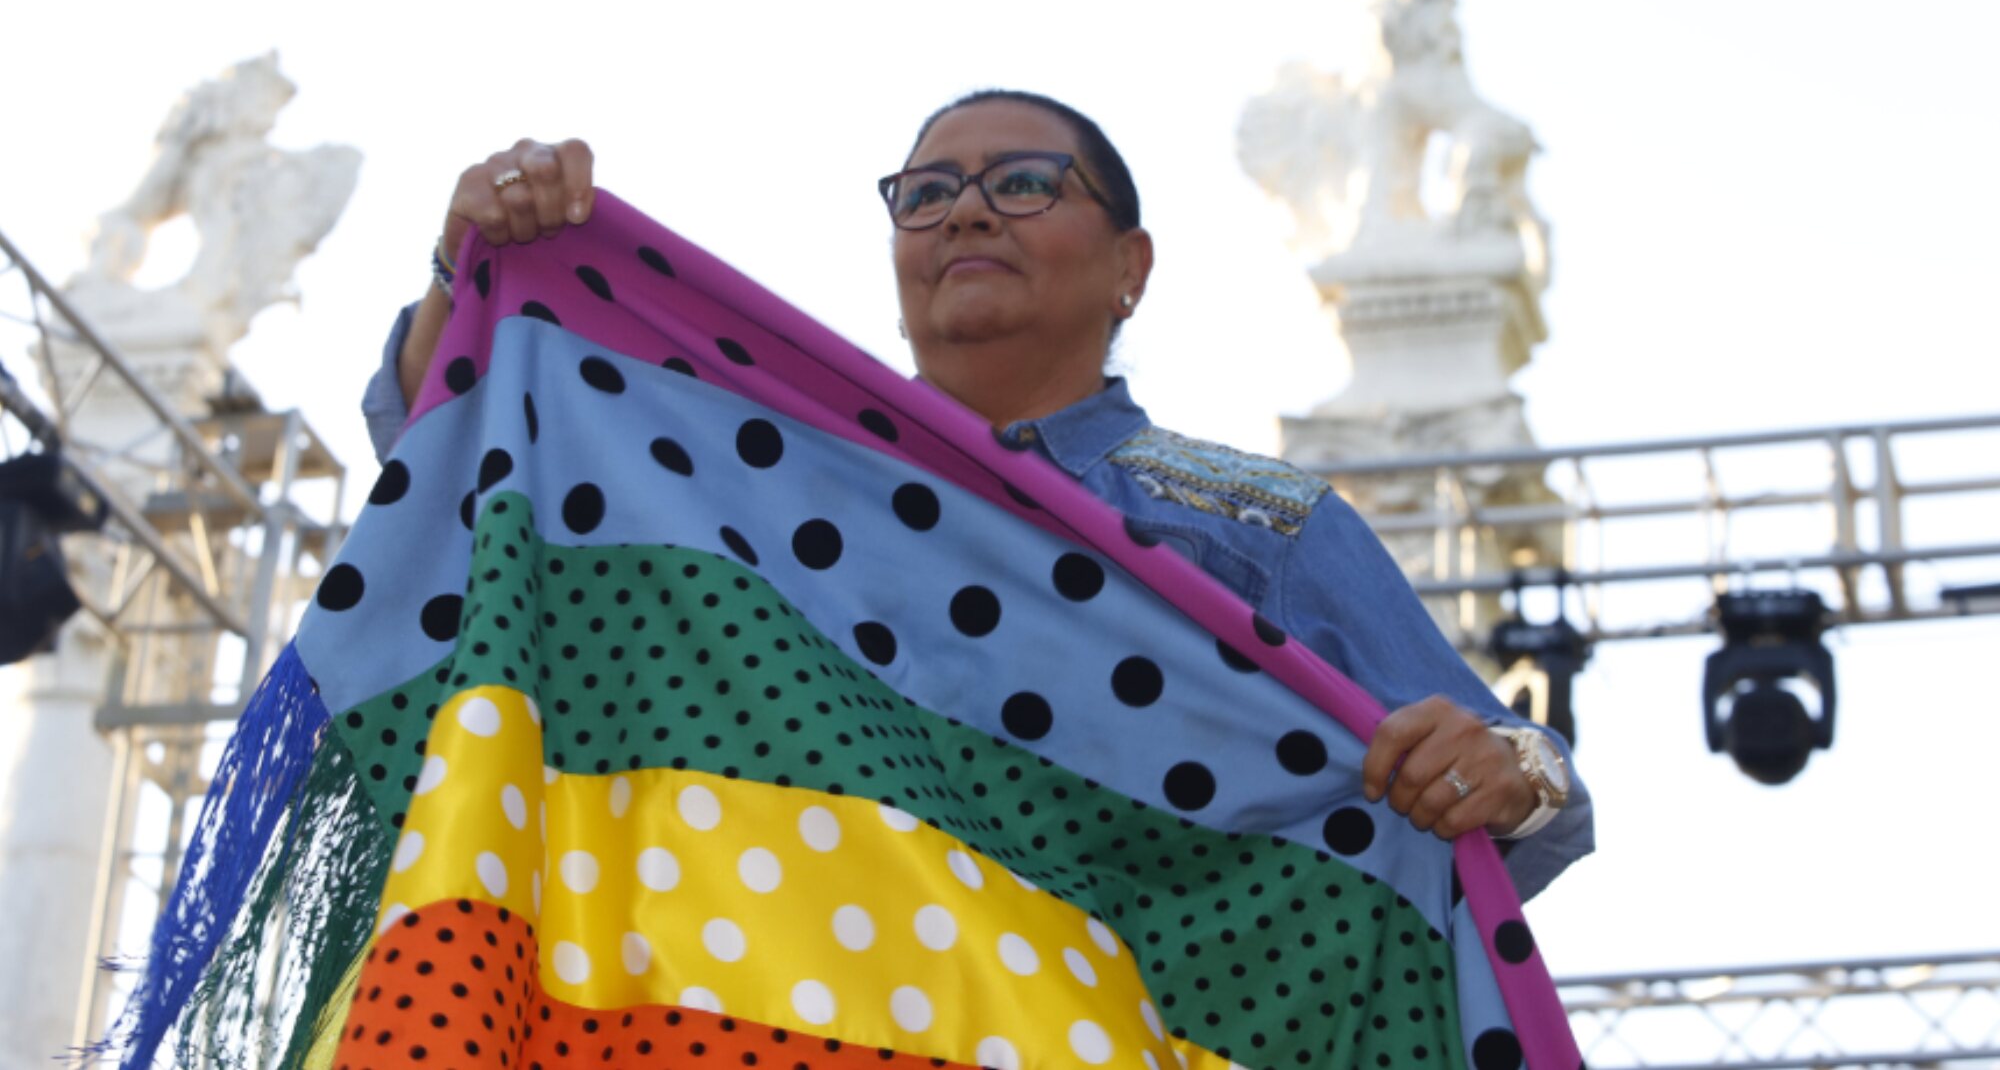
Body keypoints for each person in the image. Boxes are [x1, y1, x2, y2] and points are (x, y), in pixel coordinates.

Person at [360, 89, 1591, 901]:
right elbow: (463, 449)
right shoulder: (766, 467)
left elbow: (1524, 787)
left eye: (1021, 183)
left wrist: (1507, 765)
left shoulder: (1250, 523)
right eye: (926, 191)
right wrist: (472, 264)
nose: (962, 212)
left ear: (1130, 267)